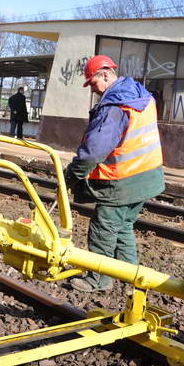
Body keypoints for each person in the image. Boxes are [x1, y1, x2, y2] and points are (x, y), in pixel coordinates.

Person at [66, 55, 165, 293]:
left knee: (104, 227)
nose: (93, 89)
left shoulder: (114, 106)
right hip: (148, 176)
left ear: (106, 75)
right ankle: (131, 275)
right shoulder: (141, 95)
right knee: (123, 226)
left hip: (124, 180)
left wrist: (74, 172)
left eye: (93, 83)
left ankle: (99, 280)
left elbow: (93, 152)